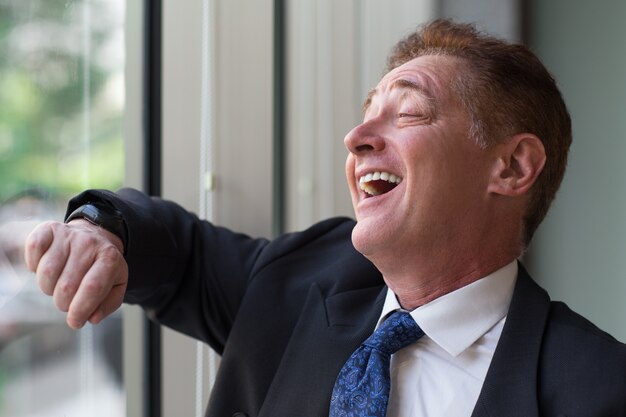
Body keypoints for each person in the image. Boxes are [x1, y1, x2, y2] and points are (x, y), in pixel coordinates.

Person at [24, 19, 626, 417]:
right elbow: (174, 249)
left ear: (512, 167)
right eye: (367, 114)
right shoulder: (298, 280)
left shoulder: (599, 388)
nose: (356, 136)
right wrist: (98, 227)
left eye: (409, 114)